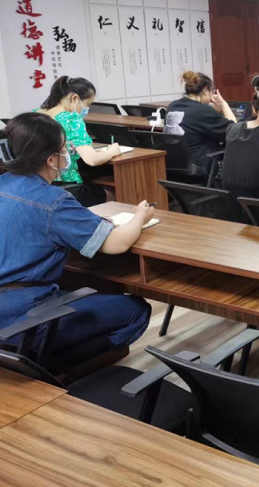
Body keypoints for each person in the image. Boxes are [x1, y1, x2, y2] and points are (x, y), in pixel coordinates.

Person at [0, 113, 153, 372]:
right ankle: (46, 369)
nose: (67, 153)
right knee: (135, 310)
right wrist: (139, 217)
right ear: (51, 159)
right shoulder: (52, 200)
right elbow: (115, 243)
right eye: (64, 149)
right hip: (22, 313)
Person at [35, 76, 121, 208]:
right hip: (68, 188)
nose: (86, 109)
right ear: (75, 98)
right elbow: (92, 160)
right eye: (88, 104)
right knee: (114, 193)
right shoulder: (71, 119)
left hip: (40, 185)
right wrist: (111, 152)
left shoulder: (38, 113)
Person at [165, 71, 236, 170]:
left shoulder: (172, 105)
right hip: (199, 167)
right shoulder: (203, 110)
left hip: (175, 166)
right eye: (212, 91)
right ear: (206, 90)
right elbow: (234, 131)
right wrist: (224, 104)